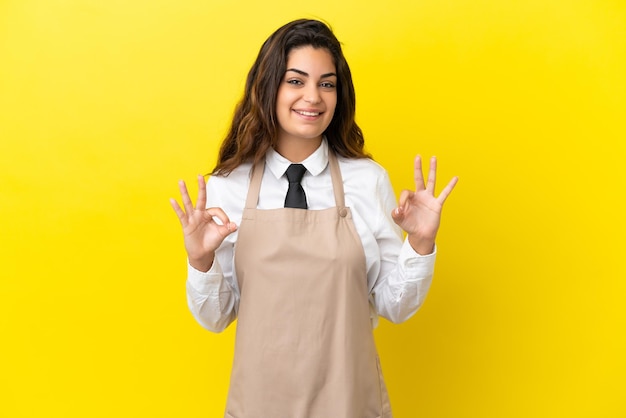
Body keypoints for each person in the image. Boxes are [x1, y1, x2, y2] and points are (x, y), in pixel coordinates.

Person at [170, 18, 457, 418]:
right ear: (269, 87)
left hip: (349, 404)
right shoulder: (227, 187)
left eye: (326, 83)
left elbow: (394, 304)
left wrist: (421, 243)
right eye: (296, 81)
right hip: (260, 406)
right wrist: (200, 261)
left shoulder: (366, 180)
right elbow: (217, 317)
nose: (313, 97)